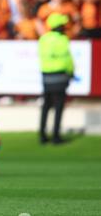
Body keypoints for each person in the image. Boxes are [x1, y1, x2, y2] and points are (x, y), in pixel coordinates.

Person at [38, 13, 74, 144]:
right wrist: (71, 72)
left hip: (46, 76)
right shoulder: (63, 39)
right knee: (58, 106)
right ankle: (56, 136)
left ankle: (42, 134)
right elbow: (67, 59)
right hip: (60, 77)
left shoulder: (43, 39)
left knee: (46, 105)